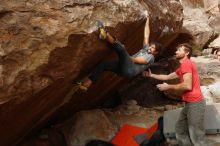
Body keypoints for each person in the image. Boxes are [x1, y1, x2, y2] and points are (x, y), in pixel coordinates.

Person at [77, 11, 162, 91]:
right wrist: (147, 19)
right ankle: (85, 85)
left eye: (153, 48)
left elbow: (137, 60)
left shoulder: (151, 58)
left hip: (130, 69)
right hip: (124, 69)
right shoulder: (146, 49)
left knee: (122, 49)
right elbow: (146, 35)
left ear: (156, 52)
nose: (150, 48)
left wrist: (123, 53)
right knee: (104, 64)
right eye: (151, 46)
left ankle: (105, 34)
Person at [143, 43, 207, 146]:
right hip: (189, 104)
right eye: (176, 50)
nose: (176, 52)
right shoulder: (182, 66)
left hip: (196, 104)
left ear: (187, 53)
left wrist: (168, 87)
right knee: (180, 130)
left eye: (179, 50)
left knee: (197, 137)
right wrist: (151, 75)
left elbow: (187, 86)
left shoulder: (187, 64)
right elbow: (168, 77)